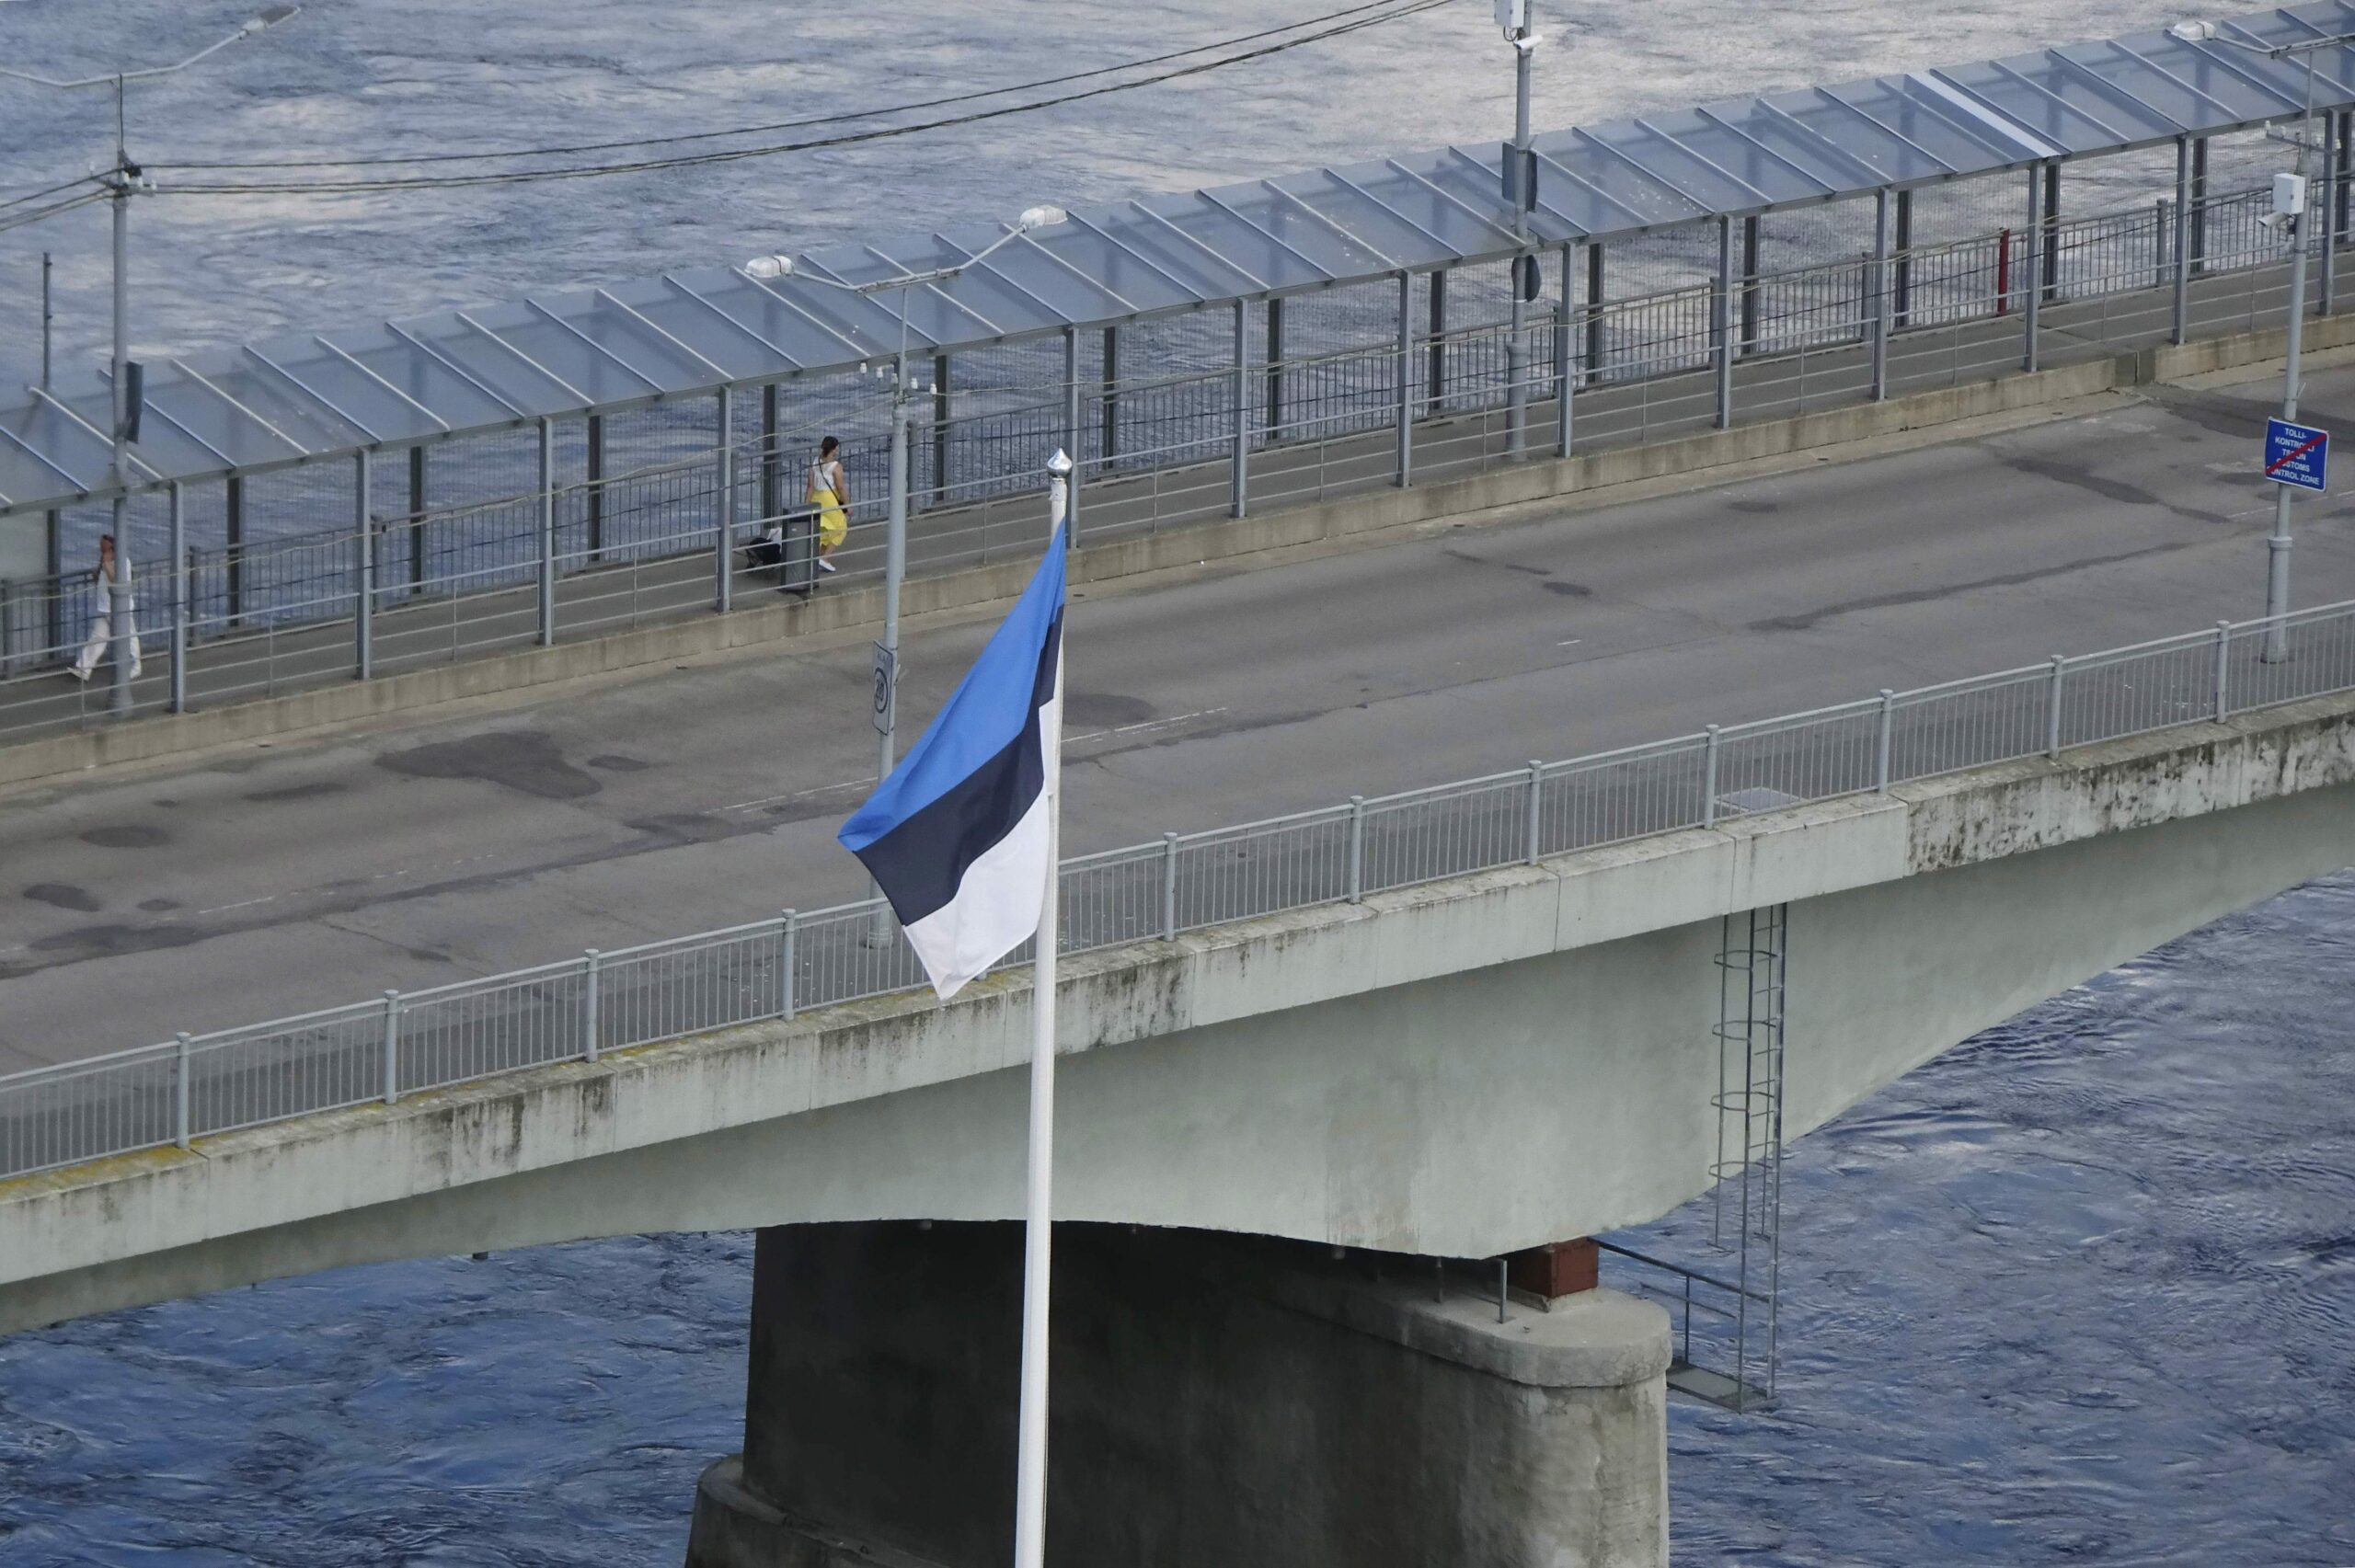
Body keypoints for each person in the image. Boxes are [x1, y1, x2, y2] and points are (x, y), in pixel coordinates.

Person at [70, 533, 141, 684]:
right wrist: (102, 564)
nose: (101, 550)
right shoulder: (105, 560)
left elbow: (115, 580)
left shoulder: (123, 562)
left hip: (119, 608)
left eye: (105, 547)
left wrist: (107, 563)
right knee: (98, 638)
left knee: (129, 636)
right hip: (104, 607)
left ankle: (135, 665)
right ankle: (83, 668)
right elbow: (99, 578)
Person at [807, 436, 848, 574]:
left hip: (816, 498)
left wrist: (807, 504)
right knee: (840, 528)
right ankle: (824, 558)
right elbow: (840, 488)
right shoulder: (836, 467)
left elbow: (810, 486)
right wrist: (847, 505)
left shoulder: (815, 463)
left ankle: (817, 558)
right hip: (829, 499)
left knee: (822, 528)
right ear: (834, 449)